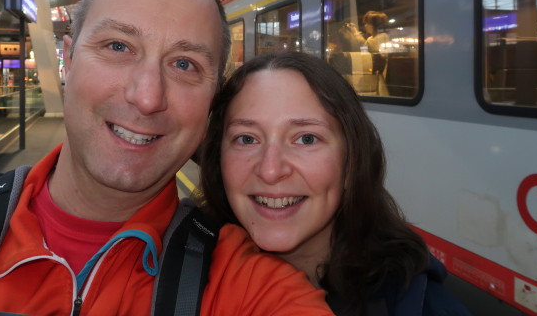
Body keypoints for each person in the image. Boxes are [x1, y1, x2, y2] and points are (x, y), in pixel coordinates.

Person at [0, 0, 333, 316]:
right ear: (67, 60)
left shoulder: (248, 284)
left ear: (213, 99)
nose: (148, 97)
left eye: (185, 64)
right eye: (118, 46)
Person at [198, 52, 472, 316]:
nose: (270, 170)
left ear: (351, 162)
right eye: (247, 139)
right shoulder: (175, 276)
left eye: (306, 139)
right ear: (218, 158)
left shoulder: (424, 306)